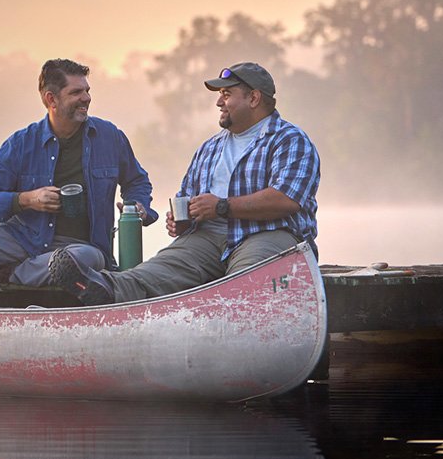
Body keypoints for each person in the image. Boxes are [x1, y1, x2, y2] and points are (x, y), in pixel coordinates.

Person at [48, 62, 320, 305]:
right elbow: (186, 198)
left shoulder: (289, 140)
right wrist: (182, 220)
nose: (219, 103)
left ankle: (226, 322)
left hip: (268, 233)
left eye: (226, 95)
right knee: (154, 272)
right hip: (207, 238)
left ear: (254, 98)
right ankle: (100, 288)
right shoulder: (210, 148)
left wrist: (222, 207)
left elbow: (286, 200)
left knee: (243, 286)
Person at [0, 59, 158, 308]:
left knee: (82, 259)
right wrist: (27, 199)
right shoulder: (20, 143)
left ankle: (9, 273)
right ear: (52, 99)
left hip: (82, 247)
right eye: (76, 92)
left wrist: (138, 206)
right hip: (22, 238)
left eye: (87, 91)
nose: (86, 98)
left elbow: (137, 181)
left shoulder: (109, 137)